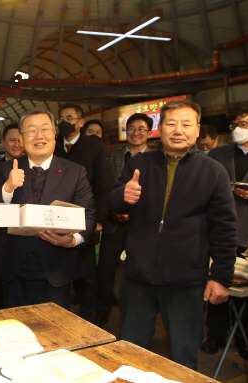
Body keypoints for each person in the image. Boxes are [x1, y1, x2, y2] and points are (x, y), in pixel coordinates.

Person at [108, 99, 237, 369]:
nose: (178, 130)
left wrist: (221, 277)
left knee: (183, 357)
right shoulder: (139, 163)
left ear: (197, 129)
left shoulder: (213, 172)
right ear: (160, 128)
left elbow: (224, 227)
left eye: (186, 124)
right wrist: (123, 195)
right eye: (171, 123)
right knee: (129, 354)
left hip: (187, 282)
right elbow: (114, 203)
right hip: (138, 278)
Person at [0, 107, 96, 309]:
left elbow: (89, 215)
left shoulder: (74, 172)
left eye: (45, 129)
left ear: (54, 135)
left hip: (57, 272)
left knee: (54, 335)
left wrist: (73, 240)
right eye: (31, 130)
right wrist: (8, 188)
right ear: (22, 138)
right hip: (13, 271)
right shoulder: (7, 169)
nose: (39, 136)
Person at [54, 103, 113, 321]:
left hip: (85, 218)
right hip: (57, 216)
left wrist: (99, 220)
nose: (64, 122)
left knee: (87, 274)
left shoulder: (94, 147)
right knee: (60, 271)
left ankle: (88, 318)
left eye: (69, 118)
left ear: (80, 122)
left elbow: (103, 185)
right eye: (60, 118)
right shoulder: (54, 145)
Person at [95, 113, 153, 327]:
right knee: (105, 269)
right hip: (114, 222)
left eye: (141, 129)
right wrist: (113, 210)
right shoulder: (111, 157)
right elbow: (104, 188)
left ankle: (136, 316)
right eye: (131, 128)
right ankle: (102, 310)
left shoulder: (156, 159)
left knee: (138, 271)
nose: (136, 133)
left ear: (149, 133)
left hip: (142, 225)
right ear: (125, 131)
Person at [202, 109, 248, 358]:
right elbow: (206, 186)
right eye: (235, 124)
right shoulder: (218, 155)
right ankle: (215, 336)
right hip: (220, 231)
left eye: (244, 124)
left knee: (246, 293)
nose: (238, 128)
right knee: (217, 283)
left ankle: (244, 340)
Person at [0, 123, 24, 309]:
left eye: (20, 139)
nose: (17, 144)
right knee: (0, 285)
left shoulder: (30, 168)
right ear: (3, 142)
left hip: (23, 235)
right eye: (12, 140)